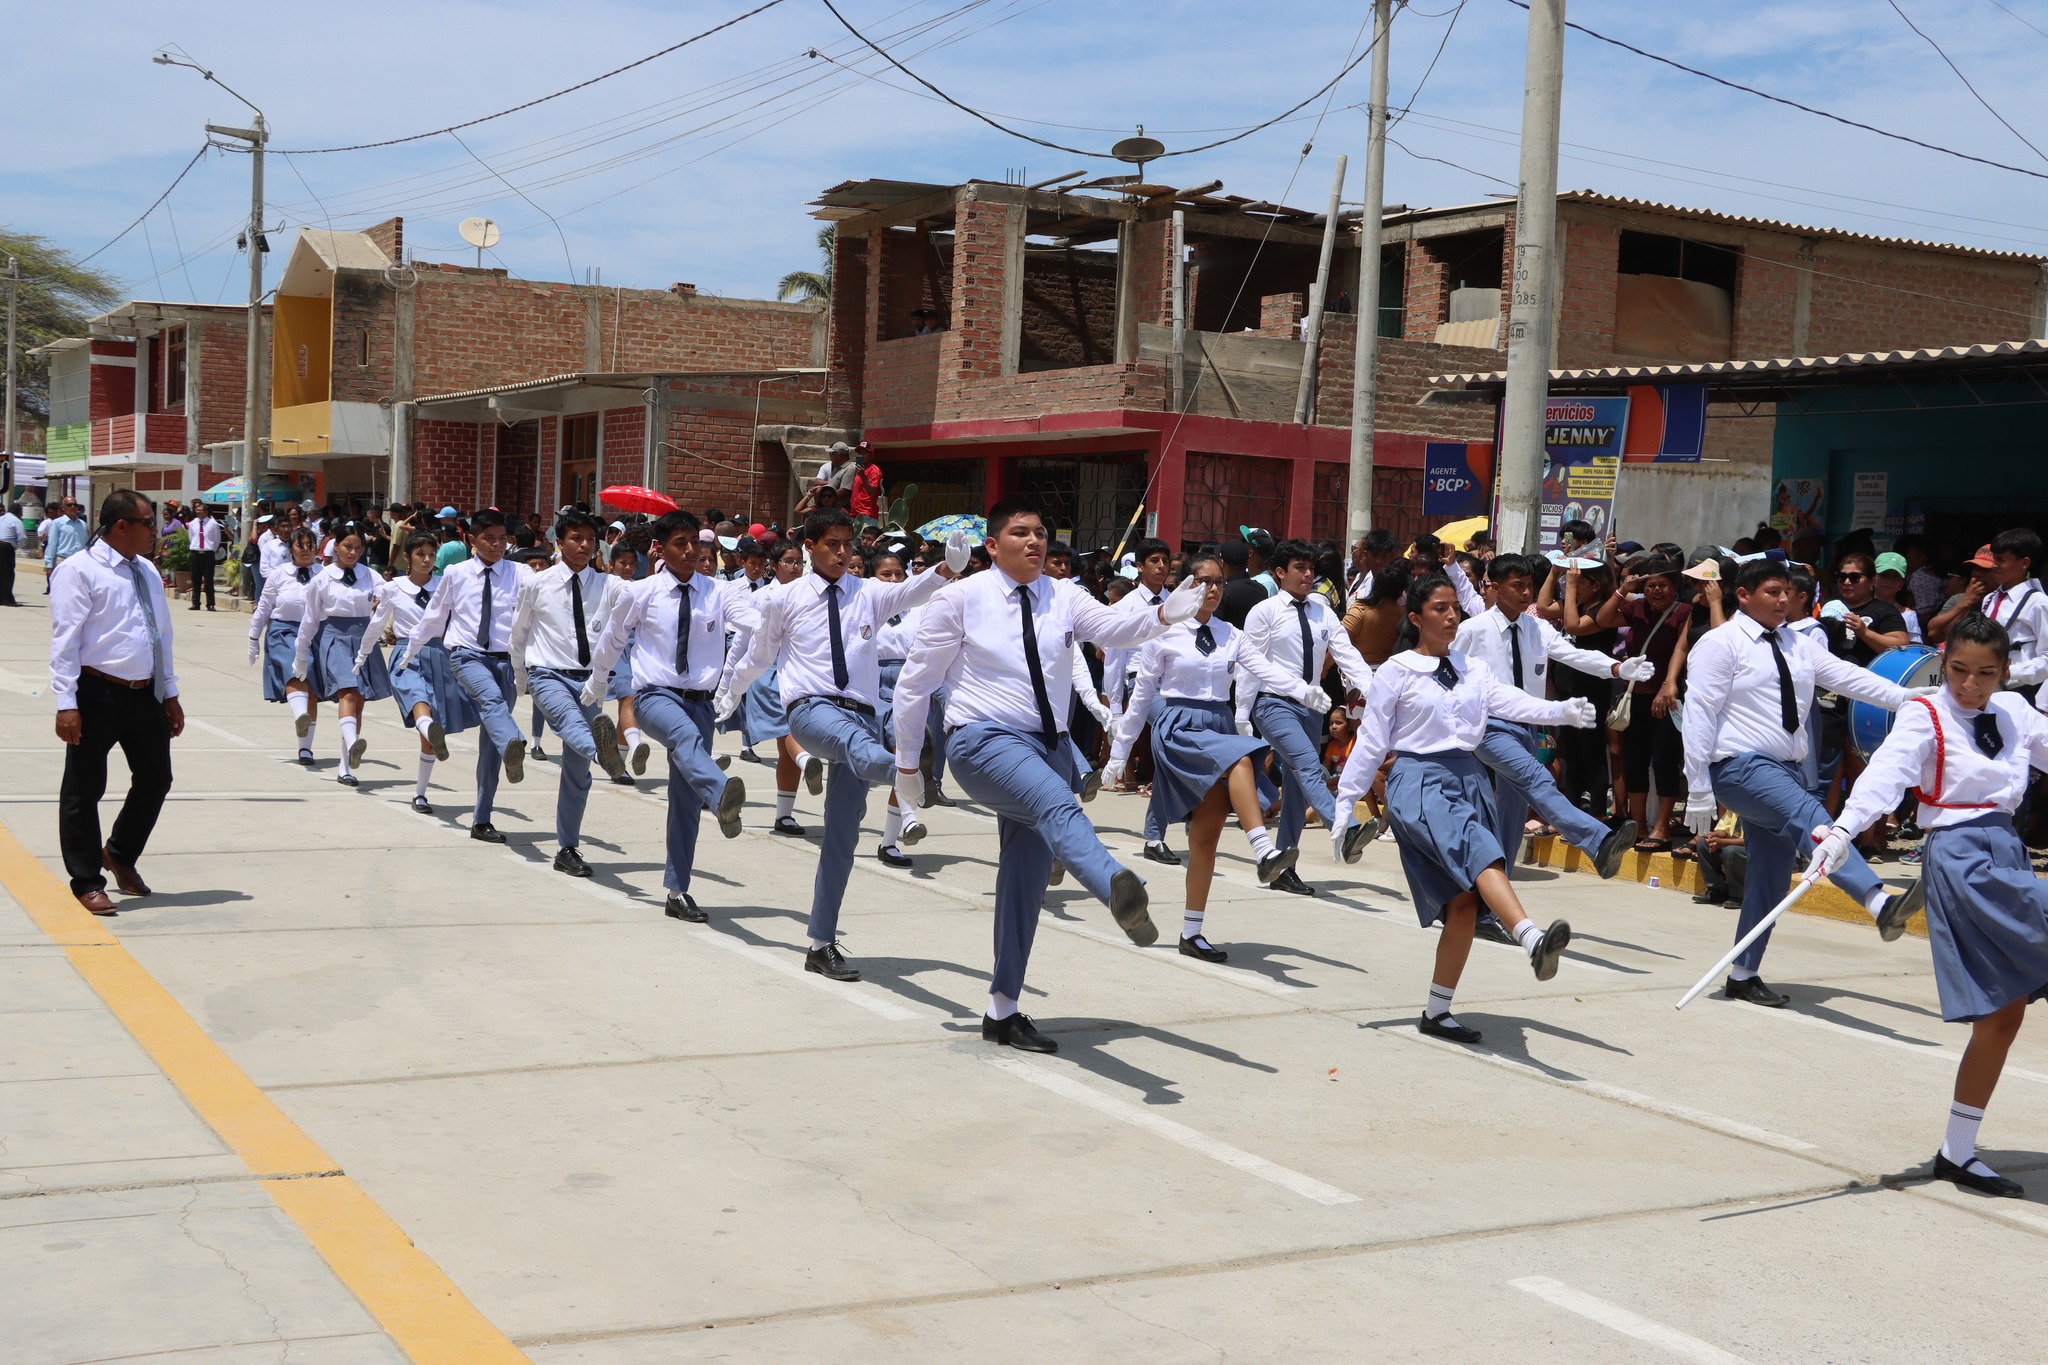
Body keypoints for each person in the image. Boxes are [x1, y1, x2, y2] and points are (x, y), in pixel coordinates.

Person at [889, 498, 1201, 1052]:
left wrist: (1162, 615)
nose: (1034, 542)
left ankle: (1002, 1009)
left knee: (1024, 886)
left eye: (1040, 534)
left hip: (1049, 745)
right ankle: (1115, 887)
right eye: (1020, 533)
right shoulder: (959, 599)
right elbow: (914, 686)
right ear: (992, 545)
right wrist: (908, 766)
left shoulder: (1066, 595)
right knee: (1058, 802)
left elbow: (1113, 628)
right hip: (983, 742)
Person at [1809, 614, 2048, 1198]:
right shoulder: (1926, 713)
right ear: (1944, 664)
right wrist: (1841, 831)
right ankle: (1957, 1152)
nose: (1969, 684)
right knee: (2003, 1008)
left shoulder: (2015, 711)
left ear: (2005, 671)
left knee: (2004, 1015)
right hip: (1962, 857)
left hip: (2006, 848)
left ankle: (1957, 1152)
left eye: (1985, 673)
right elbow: (1885, 777)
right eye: (1959, 670)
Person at [1329, 573, 1590, 1044]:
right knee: (1482, 853)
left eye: (1456, 608)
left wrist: (1560, 711)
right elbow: (1370, 741)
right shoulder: (1396, 670)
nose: (1452, 616)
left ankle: (1437, 1011)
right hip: (1419, 781)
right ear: (1416, 617)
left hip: (1469, 779)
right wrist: (1346, 806)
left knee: (1464, 904)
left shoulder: (1472, 668)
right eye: (1440, 608)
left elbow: (1507, 701)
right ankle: (1530, 938)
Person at [719, 511, 966, 979]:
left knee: (842, 837)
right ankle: (905, 772)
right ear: (809, 546)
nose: (842, 552)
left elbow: (911, 591)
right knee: (858, 744)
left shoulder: (868, 594)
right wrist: (731, 693)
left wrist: (947, 568)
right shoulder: (784, 598)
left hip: (860, 714)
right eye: (832, 543)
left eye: (848, 545)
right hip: (810, 711)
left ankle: (820, 943)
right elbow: (759, 655)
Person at [1680, 558, 1928, 1008]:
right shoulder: (1720, 644)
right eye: (1772, 592)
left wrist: (1907, 697)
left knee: (1771, 878)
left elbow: (1848, 678)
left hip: (1786, 769)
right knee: (1816, 821)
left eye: (1787, 593)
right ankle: (1877, 902)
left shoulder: (1797, 642)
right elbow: (1699, 713)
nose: (1782, 600)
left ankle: (1743, 973)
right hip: (1740, 767)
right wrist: (1696, 785)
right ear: (1743, 595)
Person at [1104, 551, 1296, 961]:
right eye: (1204, 581)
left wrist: (1303, 691)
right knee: (1241, 759)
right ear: (1186, 586)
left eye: (1219, 583)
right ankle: (1264, 850)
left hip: (1218, 724)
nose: (1212, 589)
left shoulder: (1232, 633)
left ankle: (1191, 933)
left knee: (1204, 838)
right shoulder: (1164, 632)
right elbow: (1142, 696)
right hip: (1179, 726)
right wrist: (1119, 751)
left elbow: (1264, 671)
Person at [582, 509, 749, 923]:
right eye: (680, 543)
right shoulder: (641, 592)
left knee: (684, 800)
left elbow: (753, 621)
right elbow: (613, 639)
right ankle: (721, 789)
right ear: (659, 548)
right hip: (655, 696)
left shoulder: (719, 593)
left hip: (701, 702)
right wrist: (598, 684)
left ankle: (677, 890)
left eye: (695, 543)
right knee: (684, 739)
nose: (691, 551)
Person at [1455, 554, 1645, 880]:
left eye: (1530, 585)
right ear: (1496, 588)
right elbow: (1450, 677)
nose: (1526, 592)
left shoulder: (1537, 627)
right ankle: (1598, 841)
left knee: (1513, 808)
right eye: (1518, 586)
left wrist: (1615, 667)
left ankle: (1493, 875)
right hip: (1490, 726)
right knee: (1537, 779)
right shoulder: (1473, 629)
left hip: (1528, 725)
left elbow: (1573, 655)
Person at [49, 490, 184, 915]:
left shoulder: (145, 569)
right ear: (121, 526)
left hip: (145, 693)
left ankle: (120, 852)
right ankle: (87, 879)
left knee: (156, 778)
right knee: (83, 790)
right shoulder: (79, 571)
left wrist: (171, 692)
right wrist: (65, 703)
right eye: (148, 522)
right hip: (96, 693)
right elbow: (65, 642)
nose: (154, 531)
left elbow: (160, 634)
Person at [1237, 538, 1376, 896]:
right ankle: (1343, 830)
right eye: (1300, 567)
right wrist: (1242, 716)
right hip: (1273, 704)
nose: (1308, 574)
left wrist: (1374, 692)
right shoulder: (1264, 612)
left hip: (1311, 708)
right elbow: (1250, 667)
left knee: (1299, 788)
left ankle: (1284, 867)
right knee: (1308, 766)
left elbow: (1346, 654)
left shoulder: (1322, 610)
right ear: (1279, 572)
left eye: (1311, 567)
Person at [510, 510, 630, 877]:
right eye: (576, 538)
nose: (584, 545)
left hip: (590, 681)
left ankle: (567, 847)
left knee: (577, 773)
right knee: (568, 723)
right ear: (559, 543)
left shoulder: (609, 586)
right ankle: (602, 752)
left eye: (590, 540)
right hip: (547, 674)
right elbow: (519, 632)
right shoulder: (537, 583)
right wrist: (520, 678)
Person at [401, 509, 529, 845]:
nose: (497, 544)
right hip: (466, 655)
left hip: (506, 661)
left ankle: (481, 819)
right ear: (472, 540)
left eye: (502, 538)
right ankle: (514, 741)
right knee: (491, 701)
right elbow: (434, 616)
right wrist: (410, 650)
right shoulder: (456, 574)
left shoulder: (521, 573)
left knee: (491, 742)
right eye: (489, 538)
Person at [358, 532, 467, 814]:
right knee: (417, 700)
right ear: (407, 557)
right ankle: (429, 728)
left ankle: (420, 793)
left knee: (428, 730)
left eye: (431, 554)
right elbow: (377, 623)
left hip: (439, 656)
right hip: (407, 655)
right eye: (421, 554)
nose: (427, 560)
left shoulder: (445, 585)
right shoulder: (393, 588)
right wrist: (363, 654)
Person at [1595, 557, 1691, 852]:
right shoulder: (1636, 608)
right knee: (1635, 761)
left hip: (1667, 697)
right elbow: (1603, 619)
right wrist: (1625, 589)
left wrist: (1668, 685)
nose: (1656, 591)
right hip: (1635, 695)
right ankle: (1639, 827)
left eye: (1662, 585)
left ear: (1675, 588)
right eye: (1650, 586)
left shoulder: (1684, 612)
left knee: (1664, 761)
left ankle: (1662, 828)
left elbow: (1681, 649)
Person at [291, 524, 394, 786]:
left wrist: (383, 597)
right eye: (348, 546)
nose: (353, 552)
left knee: (358, 701)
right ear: (335, 546)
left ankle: (346, 766)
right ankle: (353, 742)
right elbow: (310, 619)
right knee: (348, 691)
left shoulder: (370, 575)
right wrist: (301, 653)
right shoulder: (321, 579)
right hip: (333, 636)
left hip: (363, 637)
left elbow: (389, 592)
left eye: (358, 548)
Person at [249, 529, 323, 763]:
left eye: (310, 545)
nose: (305, 549)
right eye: (300, 545)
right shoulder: (279, 574)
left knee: (311, 688)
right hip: (284, 630)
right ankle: (300, 714)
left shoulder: (324, 573)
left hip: (315, 633)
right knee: (295, 673)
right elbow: (264, 606)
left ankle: (305, 748)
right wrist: (253, 637)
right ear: (291, 548)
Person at [602, 539, 649, 785]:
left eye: (632, 563)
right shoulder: (604, 585)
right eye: (623, 563)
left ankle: (618, 765)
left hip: (636, 649)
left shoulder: (639, 587)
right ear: (611, 564)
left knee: (631, 701)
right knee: (629, 697)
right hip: (612, 649)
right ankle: (635, 744)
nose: (628, 567)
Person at [41, 496, 88, 593]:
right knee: (63, 589)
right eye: (69, 505)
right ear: (63, 508)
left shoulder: (83, 524)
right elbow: (52, 544)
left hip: (80, 562)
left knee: (78, 590)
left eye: (75, 505)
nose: (73, 507)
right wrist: (49, 564)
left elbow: (86, 544)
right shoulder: (57, 523)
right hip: (63, 560)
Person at [186, 504, 222, 611]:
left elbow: (217, 539)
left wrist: (211, 549)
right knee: (195, 579)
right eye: (196, 510)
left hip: (208, 554)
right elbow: (191, 537)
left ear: (206, 512)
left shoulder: (213, 523)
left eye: (200, 510)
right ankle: (195, 603)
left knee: (208, 580)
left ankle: (210, 604)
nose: (197, 512)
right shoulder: (193, 523)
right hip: (195, 553)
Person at [846, 443, 885, 528]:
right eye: (860, 453)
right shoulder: (858, 469)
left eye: (865, 453)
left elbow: (872, 492)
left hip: (866, 514)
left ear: (871, 455)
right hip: (854, 513)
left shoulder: (874, 470)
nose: (862, 455)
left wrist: (863, 476)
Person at [0, 500, 22, 605]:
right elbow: (23, 538)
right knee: (8, 574)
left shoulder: (1, 518)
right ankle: (8, 599)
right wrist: (16, 546)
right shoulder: (16, 521)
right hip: (6, 547)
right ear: (19, 513)